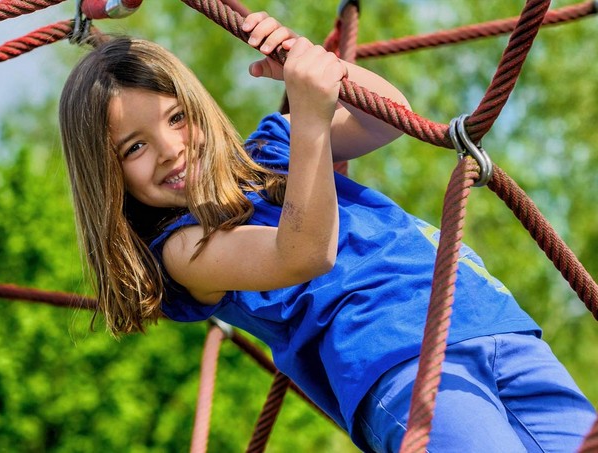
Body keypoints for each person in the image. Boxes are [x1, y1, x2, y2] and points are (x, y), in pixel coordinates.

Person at [58, 11, 596, 453]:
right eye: (134, 146)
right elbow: (304, 254)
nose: (171, 149)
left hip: (494, 324)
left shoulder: (271, 149)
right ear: (108, 177)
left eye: (177, 118)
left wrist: (312, 63)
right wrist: (311, 119)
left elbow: (387, 117)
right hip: (399, 367)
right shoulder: (180, 247)